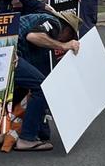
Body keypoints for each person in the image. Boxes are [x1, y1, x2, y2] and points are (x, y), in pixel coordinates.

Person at [10, 10, 82, 151]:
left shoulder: (41, 20)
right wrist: (63, 46)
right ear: (66, 29)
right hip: (11, 53)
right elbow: (33, 36)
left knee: (25, 86)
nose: (66, 40)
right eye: (70, 36)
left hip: (6, 50)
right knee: (42, 88)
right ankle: (26, 138)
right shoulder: (55, 24)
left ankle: (4, 133)